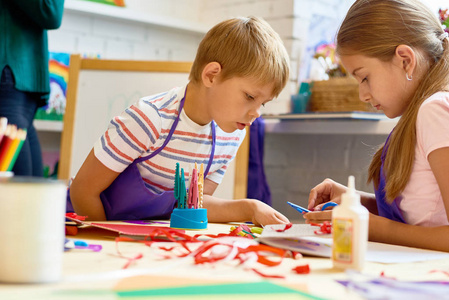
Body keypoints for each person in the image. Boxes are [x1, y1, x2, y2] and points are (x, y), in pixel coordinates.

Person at [68, 16, 290, 226]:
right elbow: (83, 192)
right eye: (250, 97)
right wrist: (108, 241)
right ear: (211, 75)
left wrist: (250, 208)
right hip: (92, 233)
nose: (256, 112)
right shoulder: (149, 119)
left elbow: (193, 206)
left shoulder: (231, 136)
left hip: (146, 242)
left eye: (264, 103)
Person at [303, 0, 449, 252]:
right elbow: (424, 215)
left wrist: (375, 228)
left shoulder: (434, 111)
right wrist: (354, 201)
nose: (363, 95)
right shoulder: (419, 115)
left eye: (364, 78)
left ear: (405, 60)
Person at [0, 0, 65, 176]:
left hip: (19, 78)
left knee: (32, 191)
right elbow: (50, 11)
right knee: (21, 193)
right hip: (10, 73)